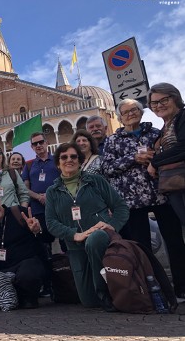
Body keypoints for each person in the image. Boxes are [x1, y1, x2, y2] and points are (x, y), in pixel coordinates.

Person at [102, 98, 185, 299]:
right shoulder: (113, 140)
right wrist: (133, 158)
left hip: (161, 195)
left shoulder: (156, 133)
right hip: (132, 201)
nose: (130, 114)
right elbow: (107, 168)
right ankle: (153, 289)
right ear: (120, 118)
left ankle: (181, 287)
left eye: (134, 110)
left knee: (174, 242)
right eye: (126, 112)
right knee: (142, 247)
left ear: (141, 112)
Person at [45, 143, 129, 311]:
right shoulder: (52, 191)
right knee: (89, 301)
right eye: (64, 157)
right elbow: (51, 223)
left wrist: (111, 226)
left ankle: (105, 292)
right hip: (75, 246)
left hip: (102, 239)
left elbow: (121, 208)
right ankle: (100, 293)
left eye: (73, 156)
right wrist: (74, 234)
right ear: (57, 163)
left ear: (80, 161)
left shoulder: (95, 181)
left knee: (95, 238)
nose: (69, 160)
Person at [22, 132, 61, 296]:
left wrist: (50, 195)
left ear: (47, 142)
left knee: (62, 247)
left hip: (58, 209)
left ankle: (64, 283)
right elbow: (24, 188)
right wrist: (38, 196)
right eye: (35, 144)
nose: (38, 146)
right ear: (32, 147)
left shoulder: (58, 160)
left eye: (41, 142)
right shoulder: (30, 165)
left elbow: (64, 181)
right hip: (38, 211)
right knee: (42, 249)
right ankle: (47, 285)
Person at [147, 83, 185, 227]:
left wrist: (155, 161)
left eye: (164, 100)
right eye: (154, 103)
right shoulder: (164, 128)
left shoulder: (182, 117)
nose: (159, 105)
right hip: (174, 186)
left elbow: (182, 147)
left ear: (175, 98)